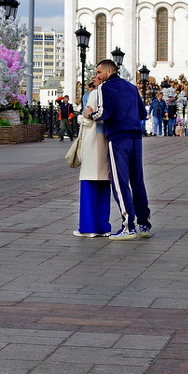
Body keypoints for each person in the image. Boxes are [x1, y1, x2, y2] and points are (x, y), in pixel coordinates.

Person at [85, 59, 152, 240]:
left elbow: (103, 113)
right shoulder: (131, 87)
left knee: (120, 182)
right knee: (137, 180)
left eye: (99, 72)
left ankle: (128, 225)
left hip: (117, 138)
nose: (97, 76)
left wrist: (89, 114)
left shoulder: (106, 88)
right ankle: (144, 224)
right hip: (135, 138)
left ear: (108, 72)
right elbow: (143, 114)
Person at [74, 78, 111, 237]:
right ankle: (104, 227)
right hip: (106, 142)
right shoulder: (111, 93)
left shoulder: (95, 94)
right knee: (104, 185)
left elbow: (88, 120)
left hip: (92, 143)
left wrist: (81, 118)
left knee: (89, 184)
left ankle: (89, 228)